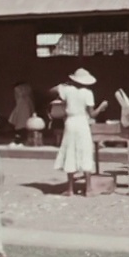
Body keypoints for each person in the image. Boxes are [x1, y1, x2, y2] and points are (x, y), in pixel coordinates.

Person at [50, 68, 108, 197]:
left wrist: (65, 84)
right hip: (82, 123)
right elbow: (92, 114)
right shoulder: (88, 93)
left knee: (70, 152)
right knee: (85, 151)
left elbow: (52, 90)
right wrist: (101, 107)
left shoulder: (67, 90)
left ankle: (70, 189)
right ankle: (88, 189)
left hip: (70, 123)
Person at [8, 81, 34, 145]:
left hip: (22, 110)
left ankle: (22, 138)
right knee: (22, 124)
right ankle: (21, 138)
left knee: (22, 124)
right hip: (23, 110)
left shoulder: (23, 98)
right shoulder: (26, 98)